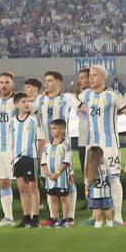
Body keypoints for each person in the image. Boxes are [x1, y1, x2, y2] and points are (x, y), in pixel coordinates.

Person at [79, 64, 126, 225]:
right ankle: (94, 216)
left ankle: (117, 216)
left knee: (113, 178)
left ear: (102, 77)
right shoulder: (85, 94)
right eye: (90, 75)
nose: (90, 78)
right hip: (91, 144)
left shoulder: (113, 95)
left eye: (94, 75)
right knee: (90, 179)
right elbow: (78, 106)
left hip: (109, 144)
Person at [37, 70, 79, 222]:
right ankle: (53, 217)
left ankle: (69, 217)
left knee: (69, 180)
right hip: (47, 149)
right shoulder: (39, 100)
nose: (46, 83)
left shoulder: (67, 98)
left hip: (63, 147)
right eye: (45, 80)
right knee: (49, 182)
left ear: (58, 82)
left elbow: (82, 107)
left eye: (49, 80)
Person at [0, 72, 19, 226]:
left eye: (7, 82)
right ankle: (8, 217)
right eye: (1, 82)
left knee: (24, 183)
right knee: (3, 183)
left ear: (12, 84)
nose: (4, 85)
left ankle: (31, 216)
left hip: (15, 148)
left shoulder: (19, 100)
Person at [10, 92, 41, 228]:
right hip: (17, 159)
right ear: (16, 104)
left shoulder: (33, 120)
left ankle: (35, 218)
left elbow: (41, 139)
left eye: (28, 101)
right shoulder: (12, 121)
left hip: (30, 157)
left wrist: (39, 157)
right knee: (22, 189)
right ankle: (26, 217)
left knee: (32, 188)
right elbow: (12, 140)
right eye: (23, 101)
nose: (26, 104)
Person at [42, 119, 73, 228]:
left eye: (54, 128)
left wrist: (58, 173)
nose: (52, 131)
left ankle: (65, 219)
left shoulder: (65, 145)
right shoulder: (47, 145)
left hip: (61, 177)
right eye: (51, 129)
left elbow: (66, 161)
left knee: (63, 198)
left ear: (62, 129)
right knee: (53, 198)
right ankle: (55, 218)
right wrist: (47, 172)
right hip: (50, 178)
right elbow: (44, 161)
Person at [84, 145, 114, 228]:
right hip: (106, 192)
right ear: (100, 156)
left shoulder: (90, 168)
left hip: (95, 193)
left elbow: (87, 182)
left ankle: (98, 223)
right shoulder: (105, 166)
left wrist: (86, 192)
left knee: (97, 208)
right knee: (107, 208)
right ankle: (110, 223)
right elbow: (109, 176)